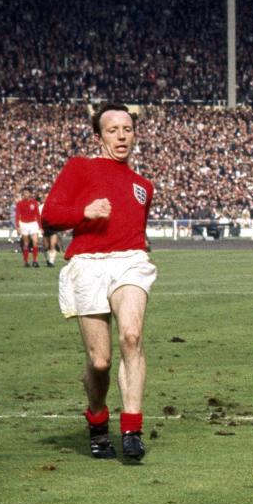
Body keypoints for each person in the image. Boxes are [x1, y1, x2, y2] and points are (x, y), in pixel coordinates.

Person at [41, 102, 156, 462]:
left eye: (127, 129)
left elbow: (136, 230)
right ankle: (97, 419)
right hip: (88, 264)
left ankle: (132, 429)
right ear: (98, 136)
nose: (122, 136)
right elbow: (49, 218)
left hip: (130, 262)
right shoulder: (80, 167)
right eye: (112, 130)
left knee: (132, 337)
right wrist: (84, 212)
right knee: (100, 362)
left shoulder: (143, 186)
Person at [14, 187, 42, 267]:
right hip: (24, 224)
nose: (25, 194)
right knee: (26, 243)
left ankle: (35, 261)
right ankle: (26, 261)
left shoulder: (34, 203)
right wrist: (18, 226)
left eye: (27, 193)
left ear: (30, 194)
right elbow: (17, 215)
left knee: (35, 242)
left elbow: (37, 215)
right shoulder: (19, 204)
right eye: (24, 193)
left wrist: (40, 226)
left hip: (33, 223)